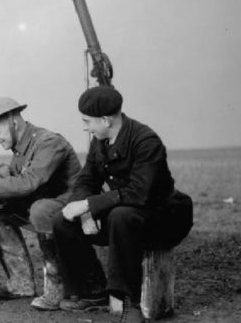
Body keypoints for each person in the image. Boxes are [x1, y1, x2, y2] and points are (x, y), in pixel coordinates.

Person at [53, 86, 193, 322]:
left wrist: (89, 206)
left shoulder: (146, 141)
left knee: (121, 216)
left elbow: (139, 193)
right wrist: (82, 209)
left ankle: (129, 302)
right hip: (128, 215)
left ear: (106, 120)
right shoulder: (101, 140)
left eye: (88, 121)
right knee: (63, 220)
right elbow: (87, 179)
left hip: (164, 218)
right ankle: (92, 290)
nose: (85, 127)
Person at [0, 97, 82, 308]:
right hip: (43, 207)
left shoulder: (48, 142)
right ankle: (20, 283)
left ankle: (57, 287)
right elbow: (13, 190)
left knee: (40, 210)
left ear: (13, 121)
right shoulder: (20, 150)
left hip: (70, 208)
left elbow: (28, 183)